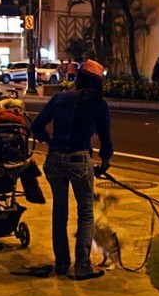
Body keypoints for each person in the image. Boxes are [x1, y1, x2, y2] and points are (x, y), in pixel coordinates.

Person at [30, 60, 113, 280]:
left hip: (55, 160)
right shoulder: (99, 104)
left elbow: (36, 126)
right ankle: (83, 266)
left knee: (60, 213)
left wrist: (50, 142)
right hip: (79, 159)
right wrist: (104, 163)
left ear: (78, 78)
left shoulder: (60, 98)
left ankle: (62, 263)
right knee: (85, 213)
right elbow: (106, 141)